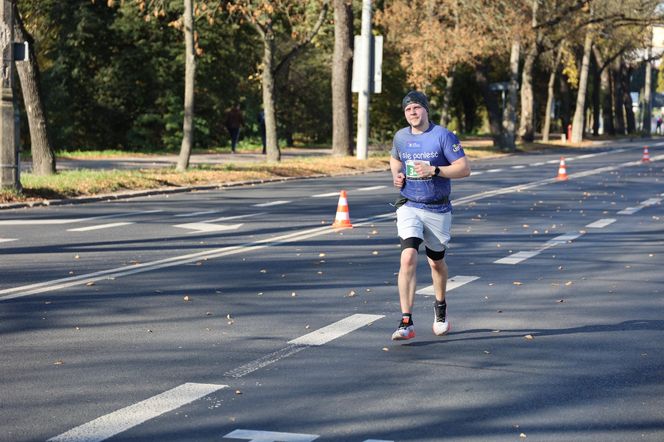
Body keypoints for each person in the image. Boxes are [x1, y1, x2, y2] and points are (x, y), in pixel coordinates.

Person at [389, 90, 471, 341]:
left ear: (425, 109)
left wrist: (435, 170)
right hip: (409, 205)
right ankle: (406, 321)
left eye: (416, 108)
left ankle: (440, 307)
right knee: (408, 257)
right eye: (407, 110)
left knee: (435, 262)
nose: (412, 113)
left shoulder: (443, 136)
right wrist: (397, 176)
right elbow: (395, 158)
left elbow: (464, 169)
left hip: (437, 207)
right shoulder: (401, 137)